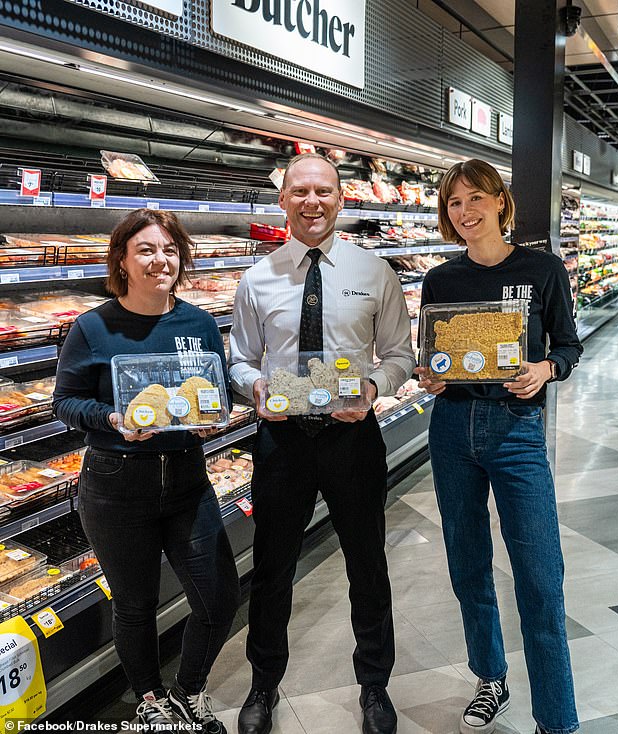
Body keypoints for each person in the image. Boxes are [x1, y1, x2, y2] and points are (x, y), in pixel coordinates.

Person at [229, 153, 415, 734]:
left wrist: (372, 386)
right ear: (283, 200)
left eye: (324, 192)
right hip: (282, 441)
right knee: (272, 567)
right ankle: (263, 684)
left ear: (341, 199)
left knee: (367, 563)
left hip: (352, 439)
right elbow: (239, 358)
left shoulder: (375, 272)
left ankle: (375, 687)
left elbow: (401, 356)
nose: (313, 202)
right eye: (300, 192)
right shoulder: (257, 279)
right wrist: (253, 387)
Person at [53, 208, 240, 733]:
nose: (161, 260)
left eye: (170, 250)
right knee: (135, 606)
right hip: (116, 483)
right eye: (146, 250)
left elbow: (211, 390)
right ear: (122, 261)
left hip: (186, 477)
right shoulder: (92, 327)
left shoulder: (199, 322)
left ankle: (188, 691)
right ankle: (150, 700)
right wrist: (111, 418)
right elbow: (64, 403)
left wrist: (212, 416)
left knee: (219, 597)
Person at [416, 159, 581, 734]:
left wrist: (545, 369)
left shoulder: (543, 270)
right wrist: (430, 377)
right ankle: (491, 678)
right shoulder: (441, 280)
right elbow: (433, 357)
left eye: (476, 197)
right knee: (468, 564)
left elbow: (568, 347)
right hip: (453, 427)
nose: (466, 211)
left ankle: (557, 718)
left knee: (539, 572)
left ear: (500, 201)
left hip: (516, 429)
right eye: (455, 202)